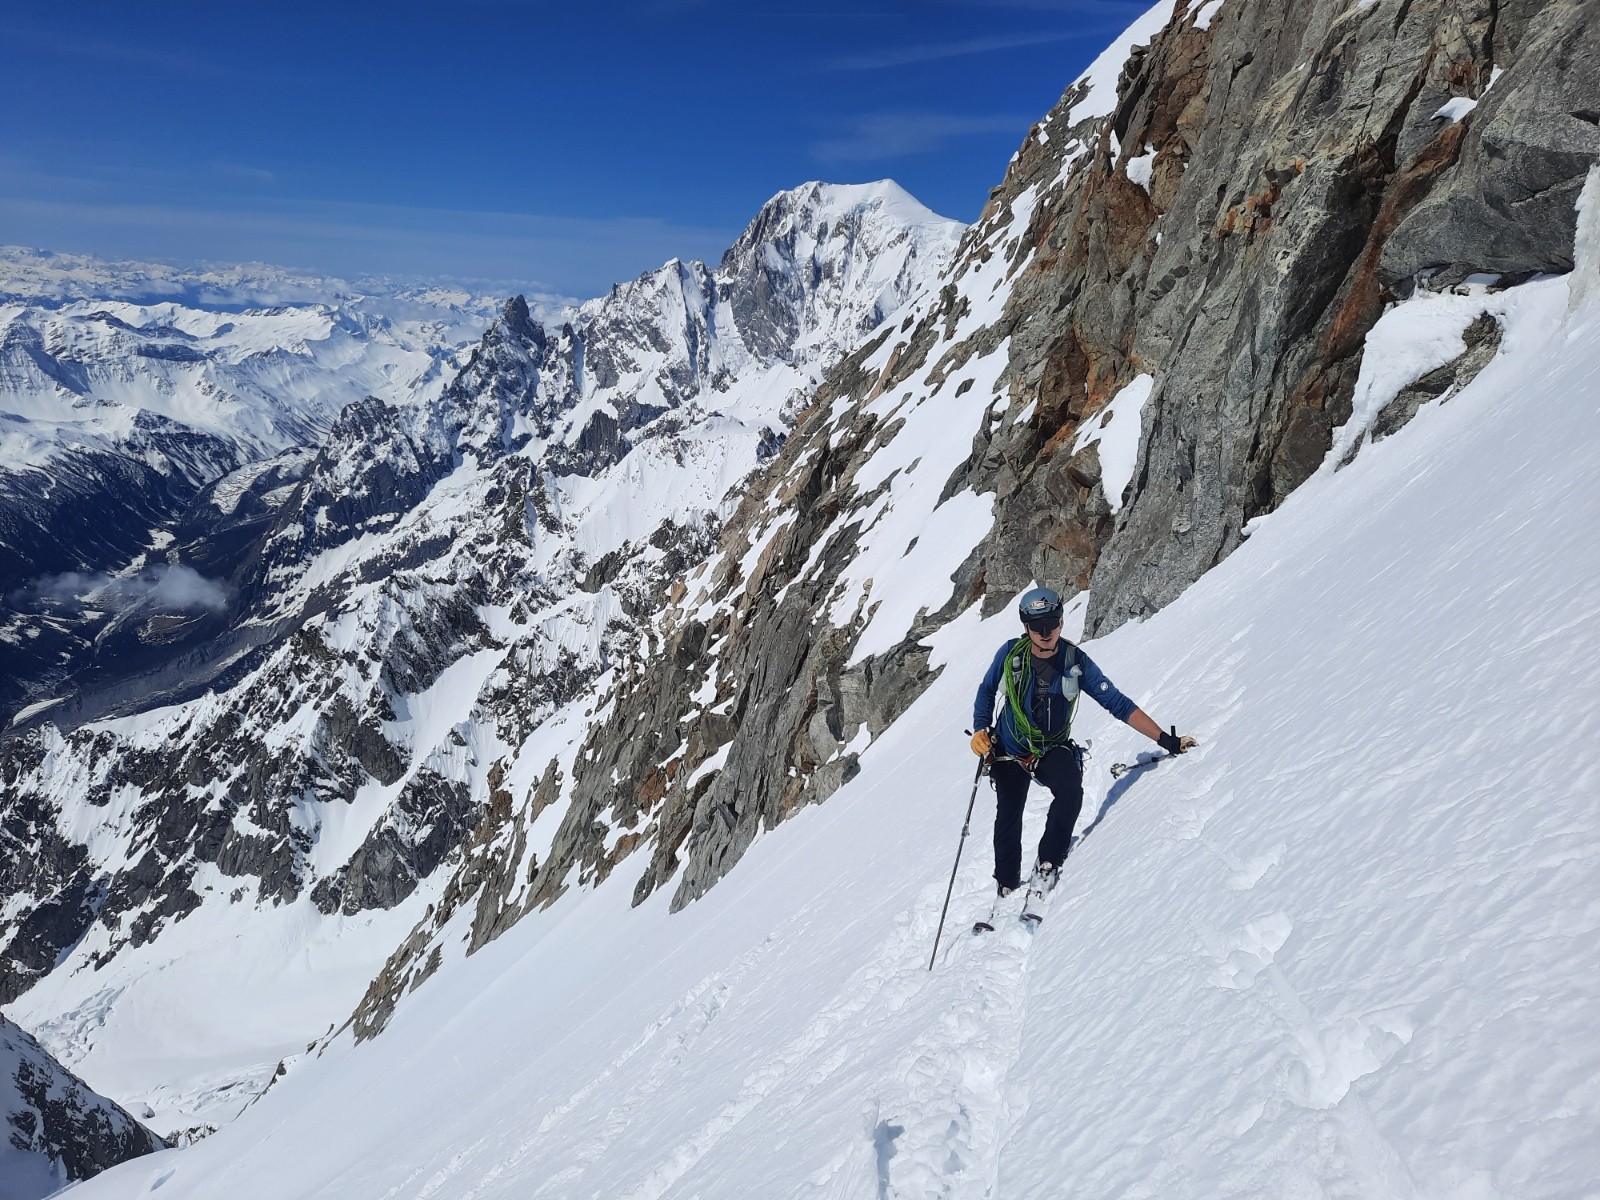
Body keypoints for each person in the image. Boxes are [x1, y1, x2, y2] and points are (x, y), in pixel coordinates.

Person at [970, 586, 1196, 898]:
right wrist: (981, 729)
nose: (1046, 632)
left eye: (1052, 623)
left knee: (1070, 791)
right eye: (1038, 627)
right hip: (1009, 748)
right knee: (1009, 813)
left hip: (1051, 747)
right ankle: (1006, 885)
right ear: (1026, 627)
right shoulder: (1010, 654)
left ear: (1061, 621)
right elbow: (986, 690)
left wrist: (1165, 739)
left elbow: (1117, 703)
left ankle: (1047, 863)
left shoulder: (1076, 662)